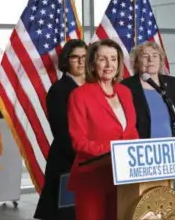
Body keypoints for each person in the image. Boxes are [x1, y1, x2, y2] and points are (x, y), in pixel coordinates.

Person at [67, 38, 139, 220]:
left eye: (114, 59)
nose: (109, 65)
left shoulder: (125, 92)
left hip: (124, 177)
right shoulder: (79, 95)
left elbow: (131, 132)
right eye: (103, 59)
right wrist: (115, 153)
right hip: (92, 179)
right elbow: (79, 142)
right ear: (92, 63)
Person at [121, 41, 175, 193]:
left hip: (172, 154)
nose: (150, 60)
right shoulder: (126, 86)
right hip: (142, 157)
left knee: (172, 200)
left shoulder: (173, 83)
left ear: (161, 61)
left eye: (155, 56)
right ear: (136, 61)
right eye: (145, 56)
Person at [34, 39, 87, 220]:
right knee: (66, 213)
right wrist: (87, 158)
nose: (81, 61)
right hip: (68, 160)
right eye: (75, 57)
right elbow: (62, 133)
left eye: (85, 57)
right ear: (66, 60)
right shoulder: (59, 90)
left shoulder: (92, 87)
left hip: (91, 161)